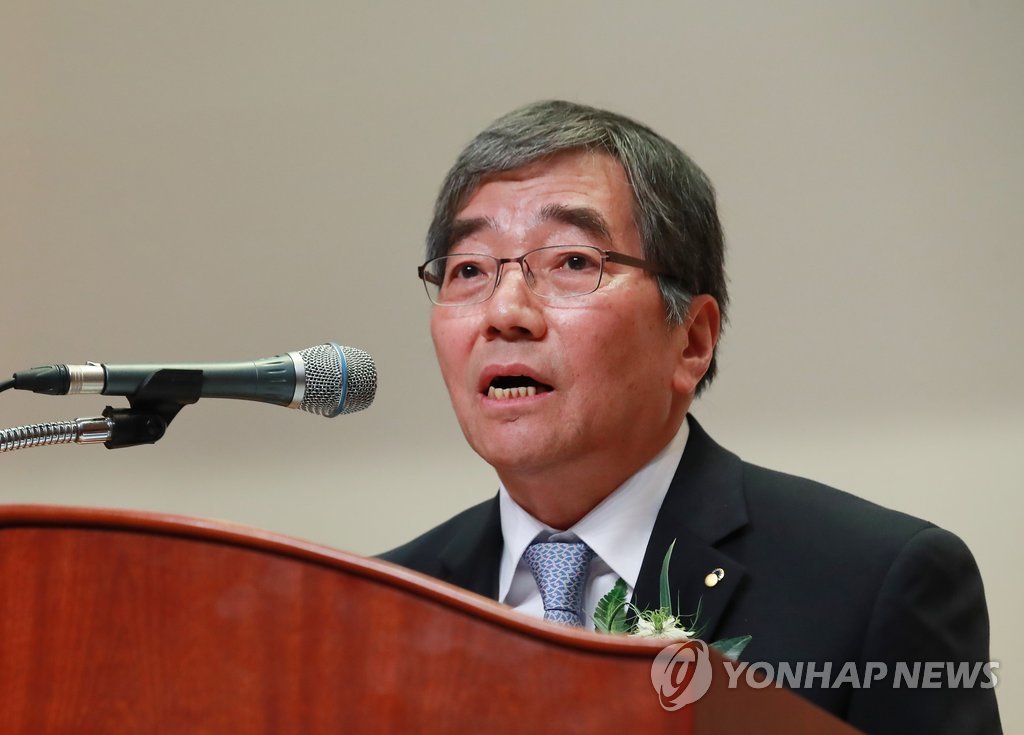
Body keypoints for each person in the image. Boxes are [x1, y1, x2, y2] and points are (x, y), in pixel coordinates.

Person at [381, 100, 1001, 734]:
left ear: (692, 341)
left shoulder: (872, 584)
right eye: (469, 269)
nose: (504, 312)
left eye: (572, 262)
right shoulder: (374, 606)